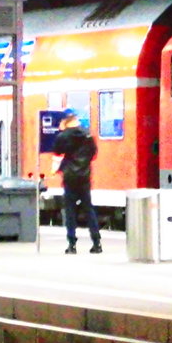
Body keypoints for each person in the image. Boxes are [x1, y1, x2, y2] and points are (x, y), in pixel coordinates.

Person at [51, 108, 102, 254]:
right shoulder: (88, 135)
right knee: (89, 209)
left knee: (70, 211)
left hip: (69, 178)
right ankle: (97, 243)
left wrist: (56, 170)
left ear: (65, 120)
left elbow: (57, 153)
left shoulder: (63, 136)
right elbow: (93, 154)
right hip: (85, 177)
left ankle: (72, 245)